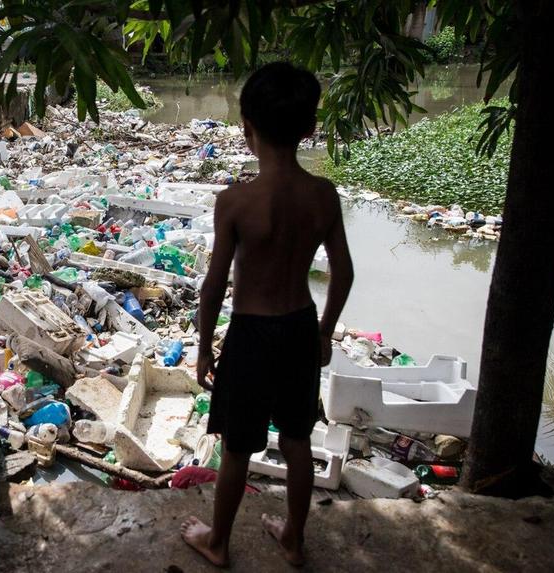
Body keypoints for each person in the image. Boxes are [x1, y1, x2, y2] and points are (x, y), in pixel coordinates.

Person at [180, 62, 354, 568]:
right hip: (299, 325)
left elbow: (214, 287)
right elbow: (342, 274)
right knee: (298, 440)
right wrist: (324, 332)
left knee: (237, 447)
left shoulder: (234, 201)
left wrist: (204, 347)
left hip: (251, 335)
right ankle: (294, 540)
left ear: (246, 129)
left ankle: (218, 542)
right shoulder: (324, 196)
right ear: (309, 127)